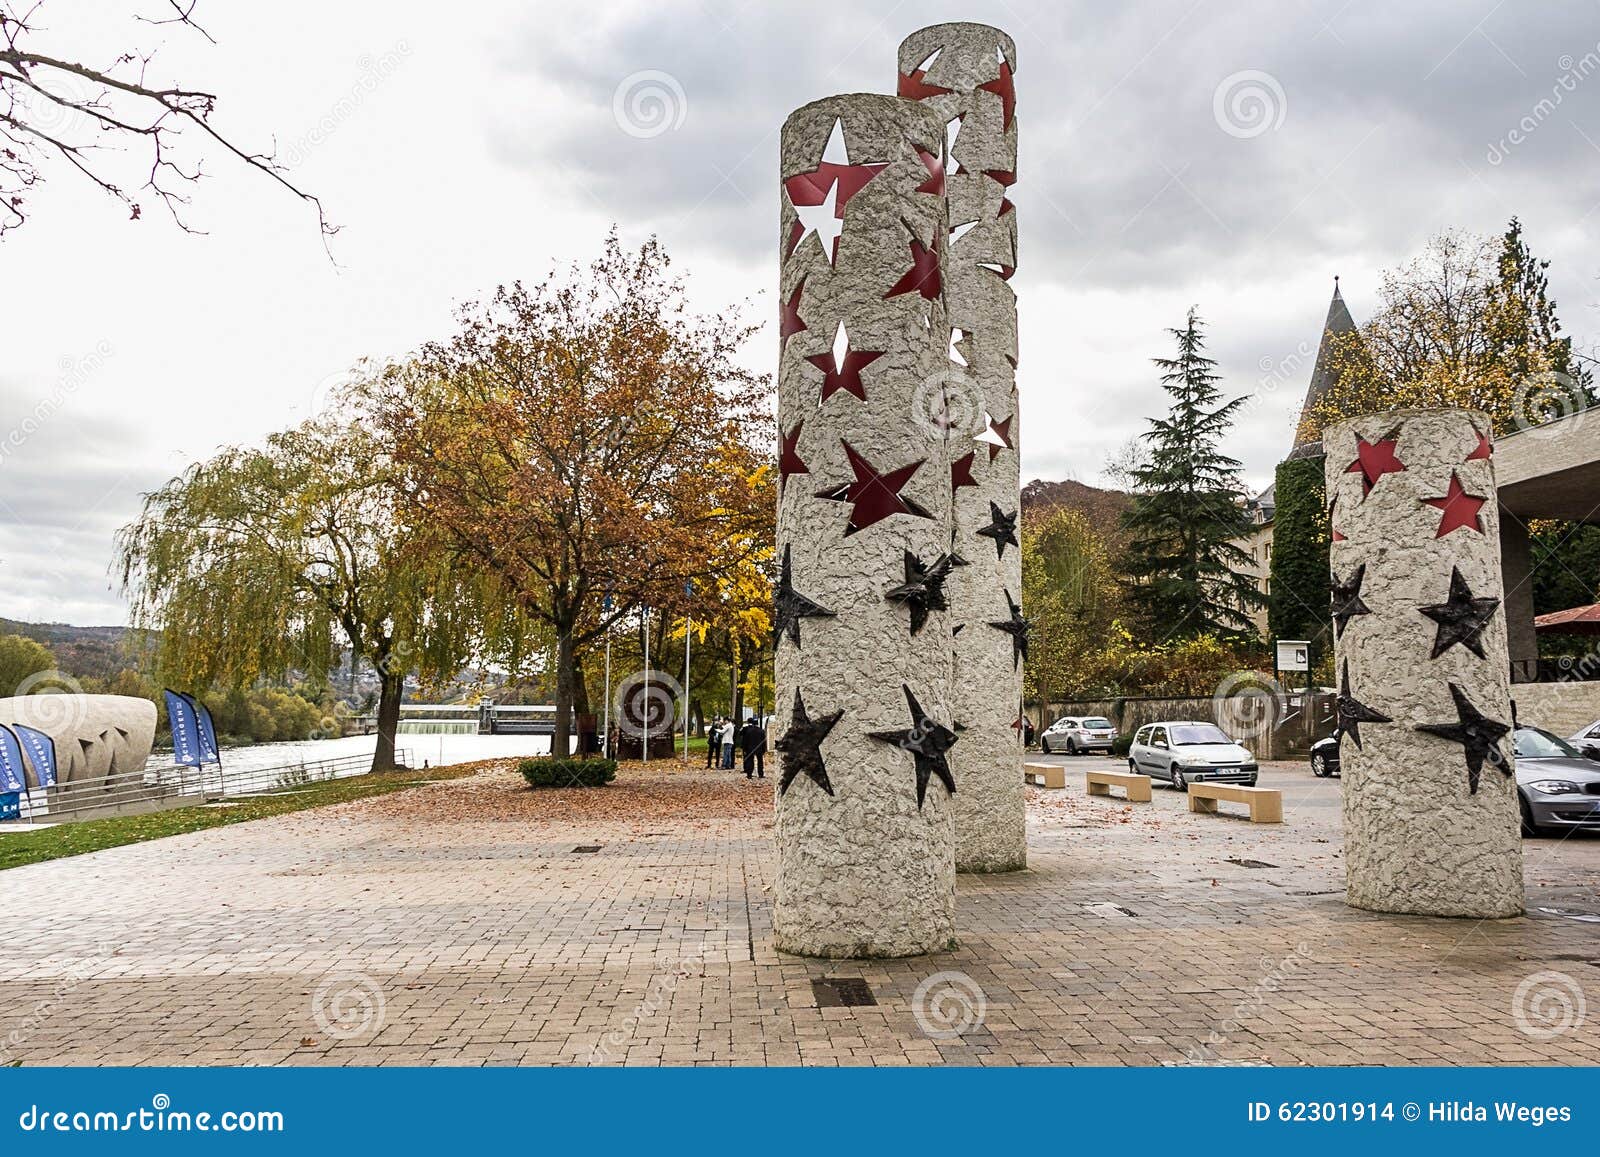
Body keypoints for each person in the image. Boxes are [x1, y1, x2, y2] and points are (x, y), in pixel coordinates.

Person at [739, 715, 768, 779]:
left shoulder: (748, 731)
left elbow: (746, 740)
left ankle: (749, 774)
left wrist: (744, 748)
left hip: (750, 748)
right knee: (760, 761)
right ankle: (760, 774)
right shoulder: (761, 731)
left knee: (750, 761)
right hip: (759, 748)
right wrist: (764, 749)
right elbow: (764, 741)